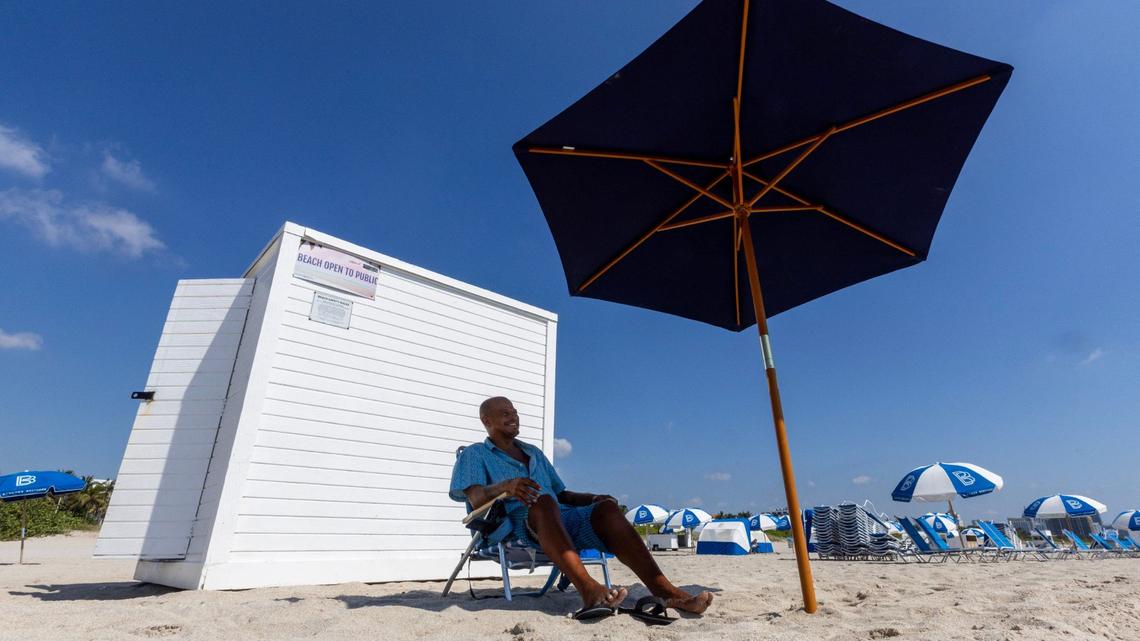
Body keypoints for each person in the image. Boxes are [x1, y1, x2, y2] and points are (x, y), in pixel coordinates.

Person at [449, 396, 714, 617]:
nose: (513, 416)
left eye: (515, 412)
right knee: (542, 502)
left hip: (562, 518)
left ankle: (666, 592)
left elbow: (562, 494)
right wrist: (506, 486)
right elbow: (476, 499)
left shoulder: (533, 453)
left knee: (607, 510)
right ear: (487, 421)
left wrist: (593, 498)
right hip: (519, 524)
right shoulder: (475, 454)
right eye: (505, 413)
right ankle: (588, 590)